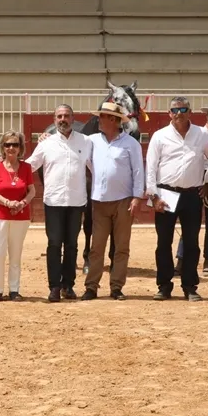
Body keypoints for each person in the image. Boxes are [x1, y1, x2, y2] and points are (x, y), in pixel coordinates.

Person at [146, 96, 208, 301]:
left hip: (192, 194)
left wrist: (207, 182)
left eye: (183, 110)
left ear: (190, 112)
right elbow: (150, 167)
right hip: (165, 194)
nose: (179, 114)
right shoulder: (160, 136)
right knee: (163, 242)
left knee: (192, 242)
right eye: (175, 110)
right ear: (169, 113)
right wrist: (154, 196)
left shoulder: (201, 135)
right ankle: (164, 285)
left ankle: (190, 286)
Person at [25, 104, 93, 302]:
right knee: (54, 245)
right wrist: (8, 169)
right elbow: (30, 165)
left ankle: (68, 286)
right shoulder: (46, 144)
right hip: (53, 201)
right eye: (59, 116)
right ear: (54, 120)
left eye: (66, 116)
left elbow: (96, 168)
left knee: (71, 245)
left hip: (76, 200)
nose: (63, 119)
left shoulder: (86, 141)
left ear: (73, 119)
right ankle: (54, 287)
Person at [82, 102, 144, 301]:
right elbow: (72, 145)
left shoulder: (131, 143)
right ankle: (91, 286)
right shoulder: (91, 141)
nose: (98, 120)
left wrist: (136, 197)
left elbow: (138, 171)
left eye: (102, 117)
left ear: (113, 120)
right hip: (99, 201)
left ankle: (116, 286)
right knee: (96, 247)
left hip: (124, 201)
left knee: (121, 247)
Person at [176, 102, 208, 276]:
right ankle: (182, 259)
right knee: (190, 224)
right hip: (194, 184)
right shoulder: (194, 133)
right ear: (207, 116)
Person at [0, 130, 36, 302]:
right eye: (7, 144)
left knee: (15, 254)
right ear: (2, 147)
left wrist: (22, 203)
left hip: (20, 216)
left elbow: (32, 190)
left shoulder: (26, 167)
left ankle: (14, 289)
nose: (11, 148)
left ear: (20, 147)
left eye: (15, 144)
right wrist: (8, 203)